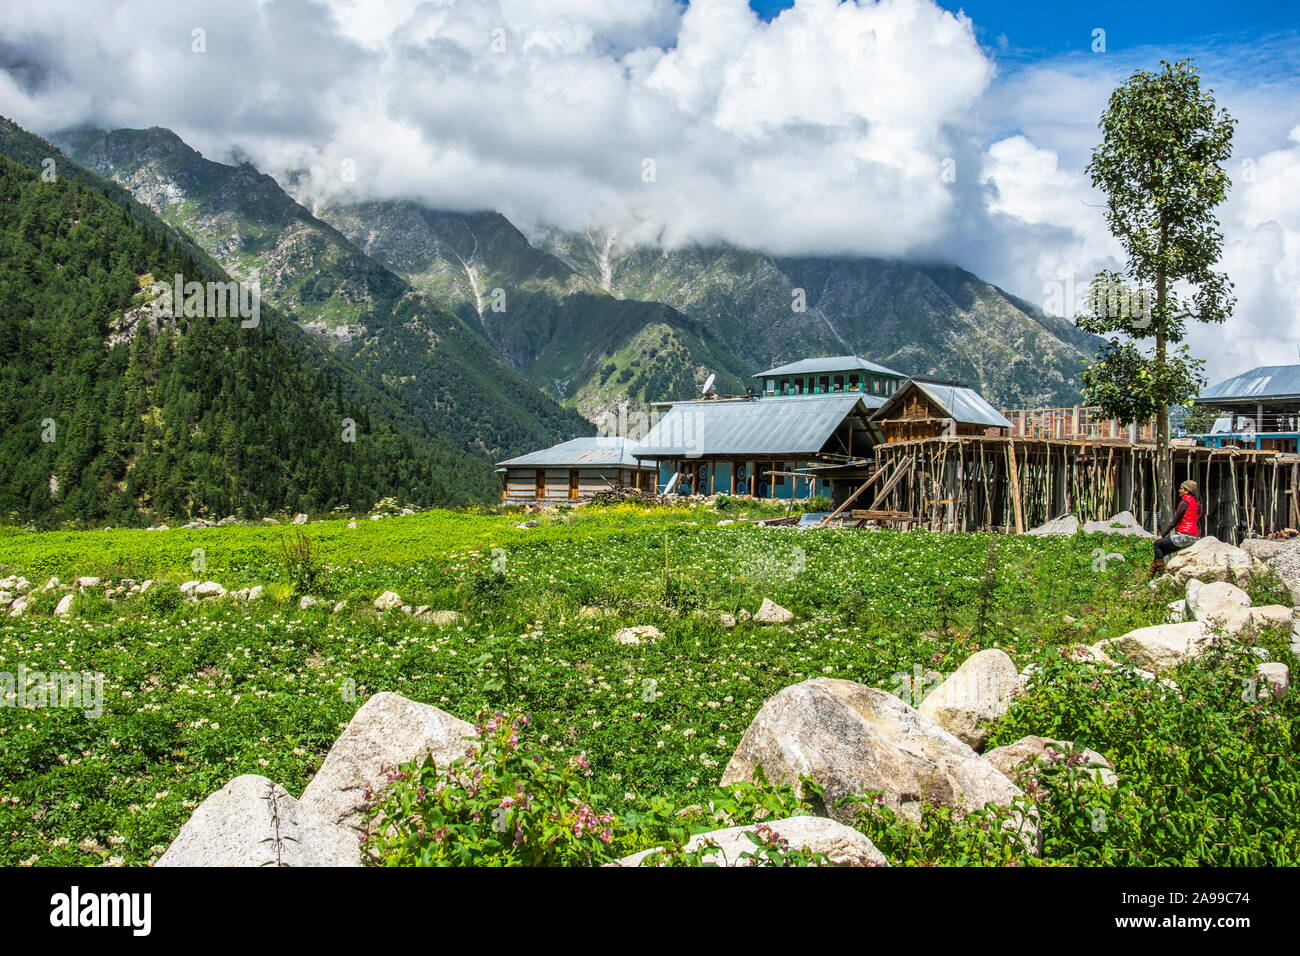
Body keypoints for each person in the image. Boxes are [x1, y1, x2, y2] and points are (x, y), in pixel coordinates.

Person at [1151, 480, 1202, 576]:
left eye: (1181, 489)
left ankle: (1161, 575)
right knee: (1162, 552)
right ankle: (1150, 576)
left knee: (1157, 544)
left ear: (1187, 491)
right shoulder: (1196, 503)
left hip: (1185, 536)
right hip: (1194, 536)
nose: (1179, 490)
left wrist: (1162, 535)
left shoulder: (1184, 503)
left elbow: (1174, 522)